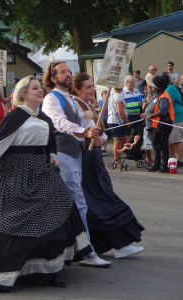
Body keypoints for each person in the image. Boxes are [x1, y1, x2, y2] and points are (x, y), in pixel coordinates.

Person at [0, 75, 91, 292]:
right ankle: (4, 268)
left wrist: (51, 154)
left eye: (40, 87)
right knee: (9, 221)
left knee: (58, 211)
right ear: (23, 94)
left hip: (41, 172)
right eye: (34, 88)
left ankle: (48, 270)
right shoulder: (15, 117)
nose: (40, 91)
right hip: (15, 173)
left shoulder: (44, 117)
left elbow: (49, 141)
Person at [42, 62, 111, 267]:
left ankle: (73, 249)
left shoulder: (72, 99)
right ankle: (87, 251)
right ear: (53, 78)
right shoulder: (51, 99)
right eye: (63, 71)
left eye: (69, 71)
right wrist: (85, 133)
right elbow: (59, 122)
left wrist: (101, 138)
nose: (68, 74)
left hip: (76, 155)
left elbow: (89, 124)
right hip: (63, 155)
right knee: (77, 202)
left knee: (74, 202)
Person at [72, 72, 145, 258]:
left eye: (92, 86)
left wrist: (102, 140)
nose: (92, 90)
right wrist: (90, 132)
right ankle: (119, 244)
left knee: (102, 200)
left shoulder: (88, 105)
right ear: (77, 90)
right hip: (84, 160)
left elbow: (101, 132)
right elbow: (74, 131)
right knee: (101, 201)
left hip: (94, 158)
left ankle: (116, 244)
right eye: (88, 87)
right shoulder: (74, 106)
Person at [143, 75, 175, 173]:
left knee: (162, 146)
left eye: (153, 86)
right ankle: (156, 165)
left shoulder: (164, 97)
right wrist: (146, 113)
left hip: (162, 126)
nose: (152, 88)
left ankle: (164, 166)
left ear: (157, 88)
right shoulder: (157, 96)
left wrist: (151, 115)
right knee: (156, 146)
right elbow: (153, 107)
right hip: (154, 126)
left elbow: (162, 111)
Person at [161, 73, 183, 167]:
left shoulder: (169, 88)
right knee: (171, 139)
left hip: (177, 116)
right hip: (173, 117)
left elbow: (167, 102)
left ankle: (180, 159)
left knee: (176, 138)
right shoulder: (168, 88)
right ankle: (172, 157)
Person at [107, 87, 130, 166]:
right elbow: (120, 111)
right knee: (118, 140)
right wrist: (127, 121)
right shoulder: (118, 96)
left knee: (122, 139)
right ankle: (116, 159)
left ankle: (118, 156)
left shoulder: (113, 95)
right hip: (116, 121)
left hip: (115, 120)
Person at [96, 89, 111, 155]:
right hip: (101, 120)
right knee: (101, 133)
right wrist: (98, 109)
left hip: (108, 120)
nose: (106, 95)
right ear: (102, 95)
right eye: (104, 94)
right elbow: (93, 108)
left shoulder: (110, 102)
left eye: (107, 94)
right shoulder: (99, 102)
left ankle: (104, 148)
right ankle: (101, 148)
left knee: (106, 134)